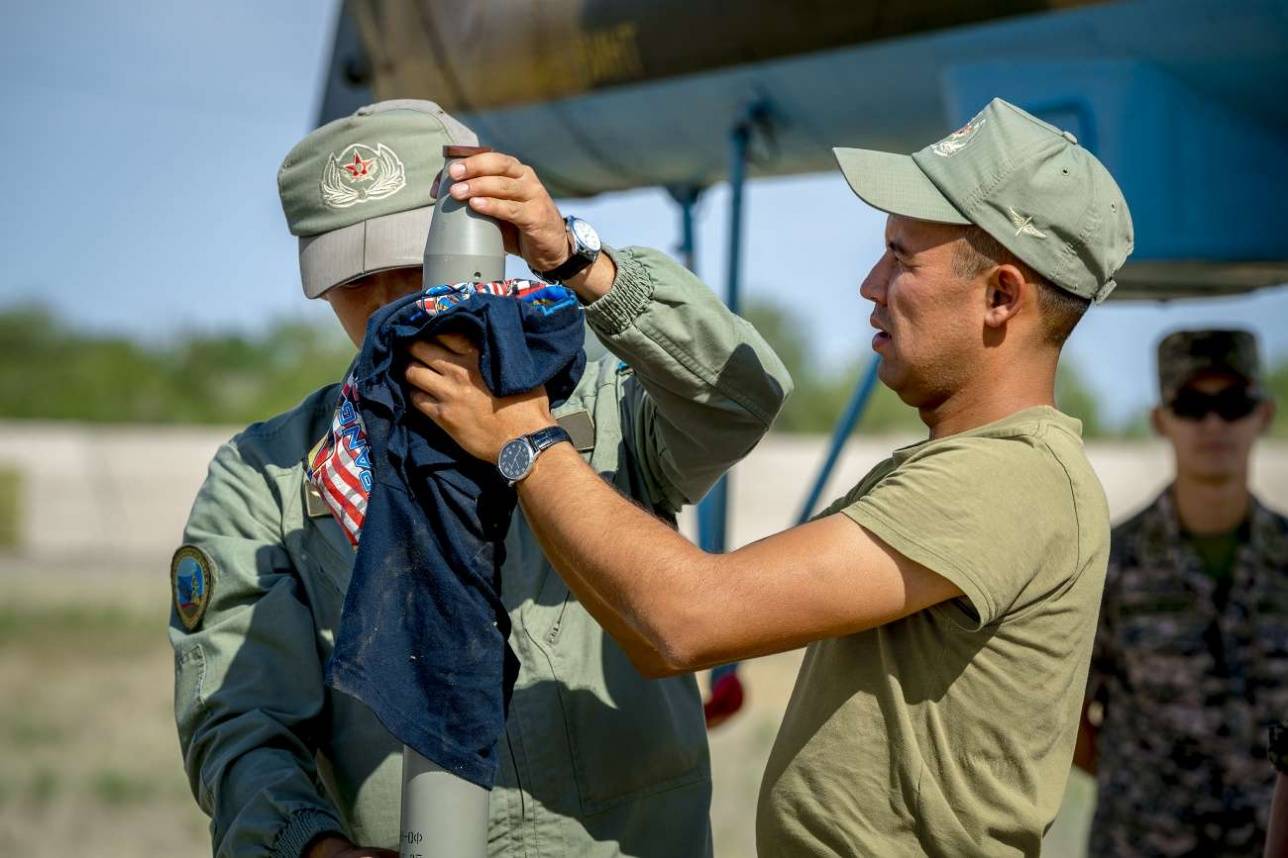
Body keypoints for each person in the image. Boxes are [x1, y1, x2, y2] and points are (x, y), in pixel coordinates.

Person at [408, 97, 1133, 856]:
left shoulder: (1001, 479)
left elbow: (683, 622)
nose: (870, 285)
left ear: (1002, 297)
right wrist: (574, 259)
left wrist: (521, 433)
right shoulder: (982, 466)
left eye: (902, 258)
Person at [167, 99, 792, 858]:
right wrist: (307, 842)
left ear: (490, 242)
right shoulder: (266, 474)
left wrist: (579, 260)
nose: (391, 298)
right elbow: (239, 714)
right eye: (354, 276)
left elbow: (741, 395)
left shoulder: (597, 401)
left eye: (417, 261)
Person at [1077, 328, 1288, 857]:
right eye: (1192, 404)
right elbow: (1065, 714)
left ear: (1262, 415)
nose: (1213, 424)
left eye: (1232, 404)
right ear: (1161, 420)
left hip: (1270, 838)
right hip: (1143, 841)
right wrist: (1142, 783)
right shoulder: (1109, 562)